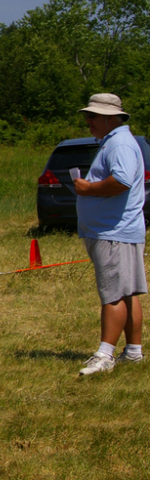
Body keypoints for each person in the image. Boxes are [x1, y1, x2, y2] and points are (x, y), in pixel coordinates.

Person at [73, 93, 147, 376]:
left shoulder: (119, 143)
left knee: (113, 294)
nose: (88, 121)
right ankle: (134, 352)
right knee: (126, 292)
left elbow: (122, 181)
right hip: (117, 230)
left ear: (108, 118)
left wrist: (87, 189)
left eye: (92, 116)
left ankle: (105, 355)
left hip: (114, 231)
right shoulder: (118, 141)